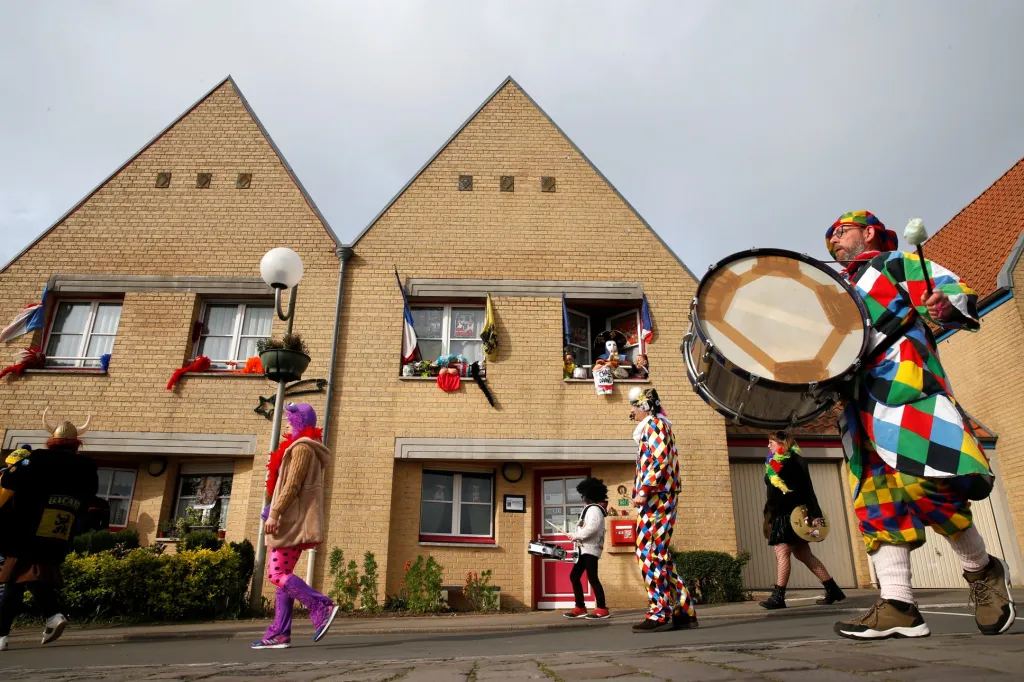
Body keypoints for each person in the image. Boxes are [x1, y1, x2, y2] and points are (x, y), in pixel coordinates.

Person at [826, 210, 1014, 639]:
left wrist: (946, 305)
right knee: (876, 502)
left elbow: (951, 290)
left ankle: (981, 570)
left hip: (907, 391)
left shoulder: (892, 263)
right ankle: (899, 605)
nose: (834, 242)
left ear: (868, 231)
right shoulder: (837, 292)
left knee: (924, 484)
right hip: (859, 410)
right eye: (830, 238)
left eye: (840, 232)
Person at [0, 412, 98, 653]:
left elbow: (9, 483)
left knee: (17, 573)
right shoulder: (87, 466)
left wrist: (14, 466)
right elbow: (88, 501)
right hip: (60, 528)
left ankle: (42, 618)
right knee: (25, 576)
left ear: (51, 441)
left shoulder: (38, 458)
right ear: (77, 443)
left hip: (28, 525)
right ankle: (39, 621)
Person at [251, 403, 339, 650]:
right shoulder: (301, 447)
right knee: (283, 582)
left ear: (300, 422)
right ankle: (280, 632)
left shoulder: (301, 449)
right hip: (292, 522)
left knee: (276, 574)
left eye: (291, 420)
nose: (287, 424)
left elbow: (292, 486)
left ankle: (321, 605)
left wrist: (275, 513)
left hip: (291, 524)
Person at [628, 386, 697, 632]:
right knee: (659, 555)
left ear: (644, 406)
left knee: (647, 553)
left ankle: (659, 612)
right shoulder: (657, 425)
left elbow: (659, 459)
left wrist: (644, 489)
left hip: (656, 497)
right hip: (660, 495)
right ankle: (683, 609)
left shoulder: (655, 424)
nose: (633, 413)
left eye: (634, 407)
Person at [759, 431, 846, 610]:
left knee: (781, 551)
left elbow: (808, 488)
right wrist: (768, 512)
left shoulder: (796, 462)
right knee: (803, 554)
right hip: (778, 513)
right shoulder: (772, 462)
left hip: (792, 515)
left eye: (771, 443)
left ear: (782, 444)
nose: (768, 446)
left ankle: (778, 597)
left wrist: (814, 514)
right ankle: (833, 589)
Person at [564, 477, 610, 620]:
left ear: (590, 495)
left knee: (592, 578)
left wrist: (576, 536)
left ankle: (602, 609)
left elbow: (592, 528)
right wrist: (577, 536)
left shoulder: (594, 509)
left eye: (583, 495)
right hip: (585, 549)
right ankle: (580, 607)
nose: (583, 498)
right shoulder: (591, 508)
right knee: (575, 576)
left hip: (590, 549)